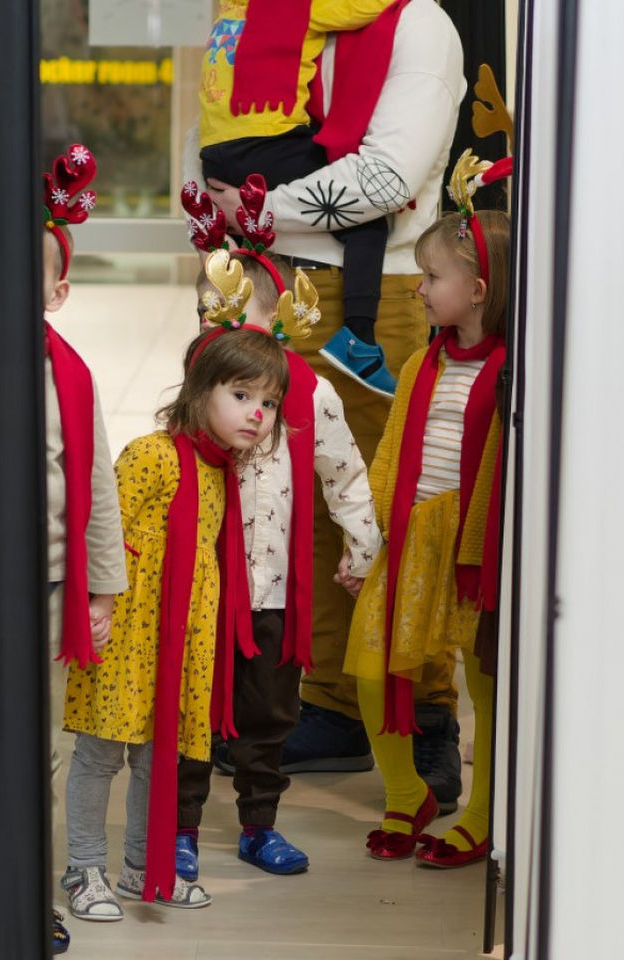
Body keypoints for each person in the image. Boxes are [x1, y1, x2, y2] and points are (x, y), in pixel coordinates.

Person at [194, 0, 467, 812]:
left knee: (394, 506)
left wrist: (253, 206)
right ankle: (327, 702)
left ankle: (421, 712)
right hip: (268, 280)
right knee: (289, 509)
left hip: (376, 293)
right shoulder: (266, 14)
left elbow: (388, 174)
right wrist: (219, 218)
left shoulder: (419, 22)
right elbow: (214, 124)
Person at [59, 321, 291, 918]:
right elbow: (101, 533)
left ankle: (142, 867)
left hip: (180, 638)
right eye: (241, 396)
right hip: (128, 633)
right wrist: (93, 607)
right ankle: (83, 866)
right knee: (101, 754)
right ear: (199, 389)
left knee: (157, 757)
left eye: (268, 402)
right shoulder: (152, 455)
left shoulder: (222, 472)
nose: (257, 414)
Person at [175, 246, 383, 881]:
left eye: (233, 315)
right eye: (209, 316)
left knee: (270, 717)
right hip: (204, 591)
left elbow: (343, 472)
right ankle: (179, 827)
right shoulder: (205, 389)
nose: (219, 330)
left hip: (271, 597)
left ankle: (259, 826)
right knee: (193, 710)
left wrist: (362, 546)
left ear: (277, 318)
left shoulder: (310, 392)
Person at [345, 152, 510, 867]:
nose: (419, 289)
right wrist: (377, 527)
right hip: (412, 538)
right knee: (374, 668)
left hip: (470, 549)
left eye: (432, 278)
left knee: (482, 678)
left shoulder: (511, 373)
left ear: (478, 290)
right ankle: (405, 790)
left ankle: (481, 811)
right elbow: (389, 451)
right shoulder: (423, 364)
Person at [198, 0, 400, 397]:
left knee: (237, 247)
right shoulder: (300, 6)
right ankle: (358, 338)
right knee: (365, 220)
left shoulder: (227, 13)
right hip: (266, 140)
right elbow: (364, 8)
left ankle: (223, 335)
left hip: (215, 154)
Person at [41, 143, 130, 954]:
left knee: (41, 756)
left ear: (58, 290)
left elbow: (98, 492)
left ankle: (31, 899)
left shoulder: (71, 377)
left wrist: (101, 594)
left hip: (48, 591)